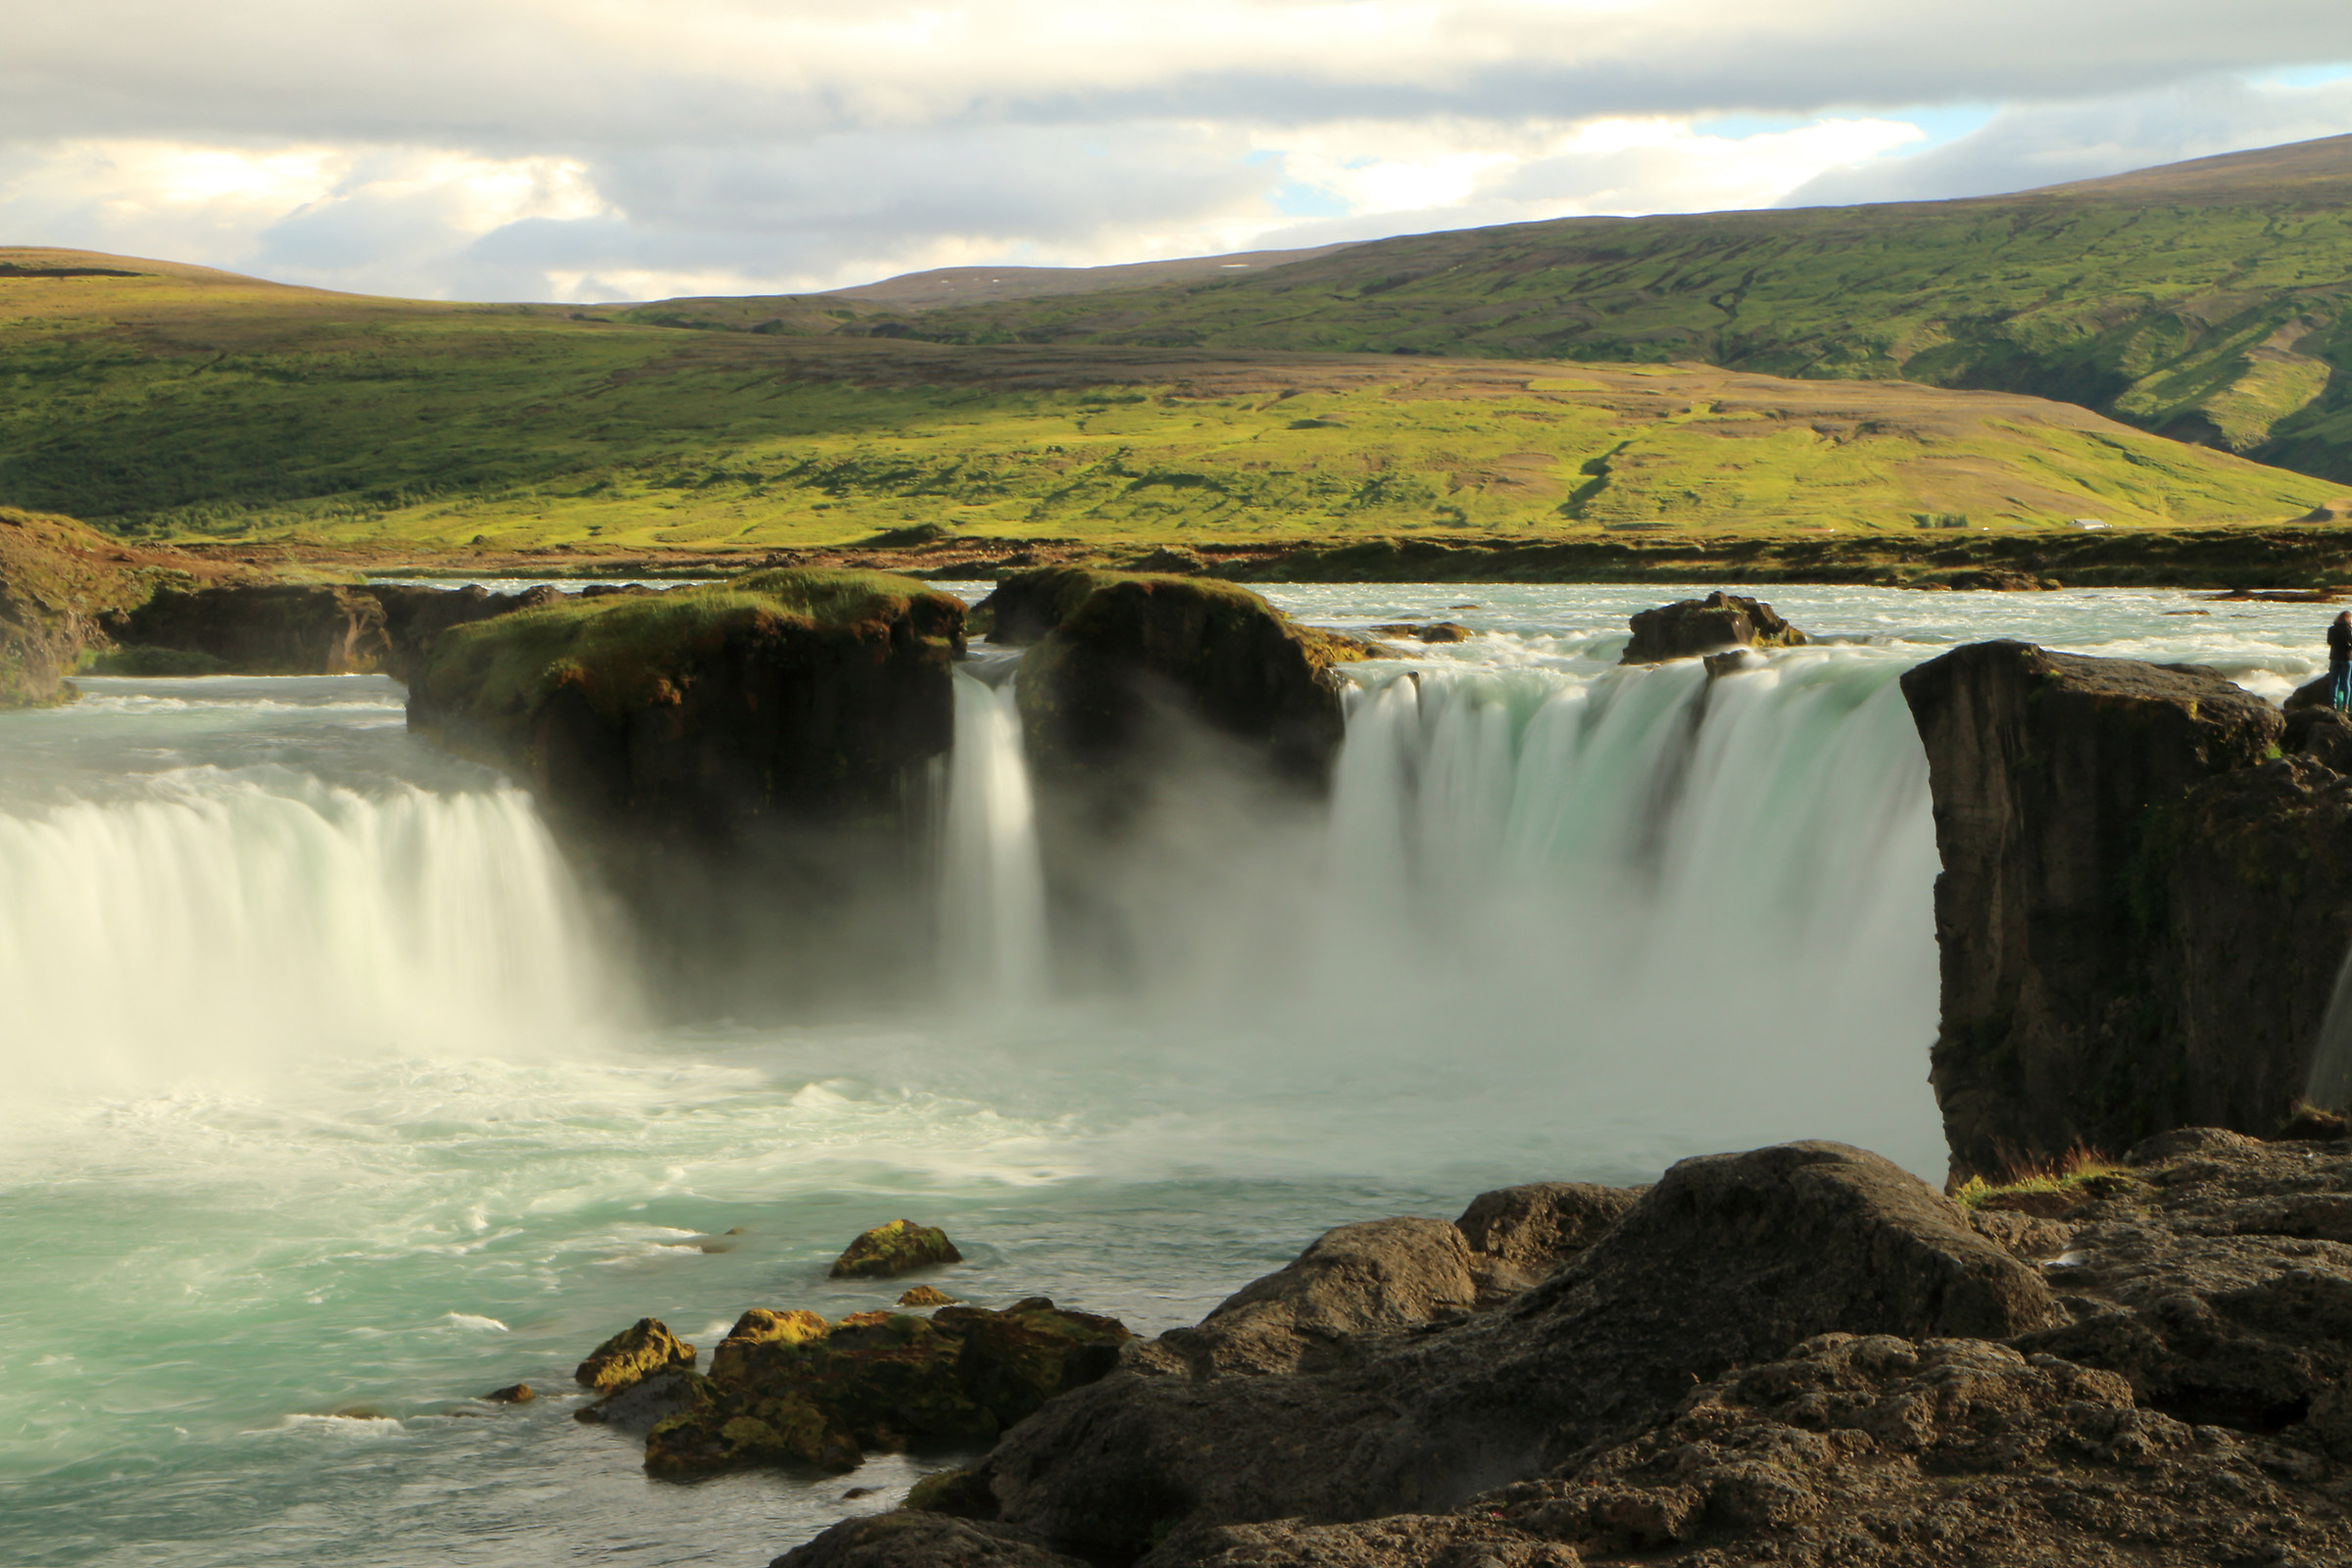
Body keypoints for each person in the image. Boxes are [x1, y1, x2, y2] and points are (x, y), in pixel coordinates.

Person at [2330, 611, 2352, 710]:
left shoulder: (2332, 629)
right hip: (2346, 658)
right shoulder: (2348, 629)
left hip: (2334, 657)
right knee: (2346, 681)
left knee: (2334, 682)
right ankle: (2345, 705)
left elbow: (2329, 642)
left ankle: (2333, 704)